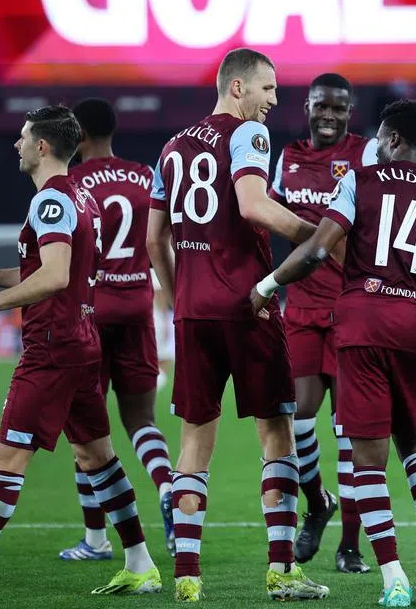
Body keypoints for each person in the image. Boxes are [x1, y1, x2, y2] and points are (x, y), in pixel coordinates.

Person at [0, 106, 161, 599]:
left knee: (8, 456)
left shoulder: (52, 202)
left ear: (42, 146)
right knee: (97, 455)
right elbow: (53, 268)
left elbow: (57, 275)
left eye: (22, 137)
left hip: (52, 348)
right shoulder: (79, 196)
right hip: (83, 340)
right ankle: (140, 562)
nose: (15, 145)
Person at [250, 99, 416, 607]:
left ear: (394, 140)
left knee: (368, 462)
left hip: (361, 324)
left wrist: (268, 284)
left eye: (379, 136)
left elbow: (316, 250)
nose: (374, 143)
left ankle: (394, 575)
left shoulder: (362, 180)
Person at [145, 48, 330, 602]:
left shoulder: (172, 147)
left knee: (194, 442)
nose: (275, 100)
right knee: (276, 433)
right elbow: (253, 206)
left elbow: (156, 239)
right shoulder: (247, 135)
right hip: (249, 306)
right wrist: (319, 238)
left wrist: (182, 293)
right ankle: (281, 571)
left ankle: (186, 577)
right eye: (268, 88)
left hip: (193, 311)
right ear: (237, 88)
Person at [54, 98, 174, 560]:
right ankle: (167, 489)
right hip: (138, 306)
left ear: (77, 135)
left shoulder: (73, 183)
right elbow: (163, 239)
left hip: (91, 311)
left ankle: (96, 540)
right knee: (142, 421)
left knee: (87, 431)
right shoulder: (146, 176)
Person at [269, 72, 377, 572]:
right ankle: (317, 503)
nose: (328, 116)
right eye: (321, 106)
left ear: (349, 112)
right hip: (303, 308)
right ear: (307, 106)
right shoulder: (286, 158)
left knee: (350, 432)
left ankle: (350, 545)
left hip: (352, 310)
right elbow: (268, 221)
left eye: (338, 108)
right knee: (302, 420)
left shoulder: (367, 155)